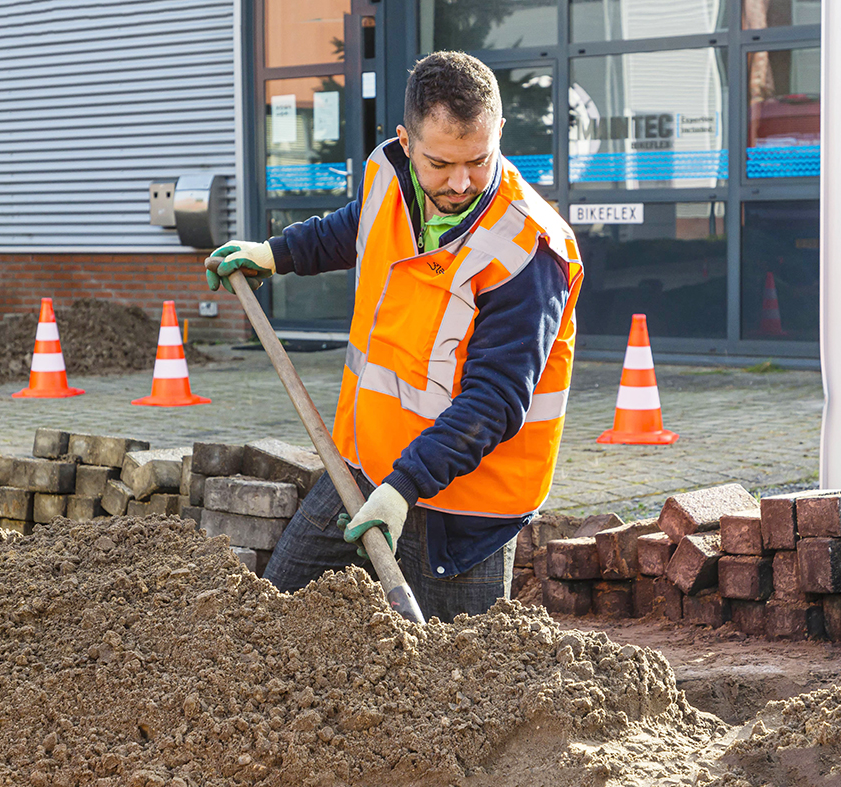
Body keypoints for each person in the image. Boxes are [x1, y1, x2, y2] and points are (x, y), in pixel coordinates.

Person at [206, 51, 584, 621]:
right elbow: (356, 225)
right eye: (440, 164)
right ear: (406, 143)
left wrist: (404, 486)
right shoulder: (391, 176)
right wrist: (275, 254)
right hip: (364, 466)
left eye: (479, 161)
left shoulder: (527, 250)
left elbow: (495, 400)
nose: (460, 183)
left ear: (500, 133)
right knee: (276, 619)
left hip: (461, 511)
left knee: (451, 685)